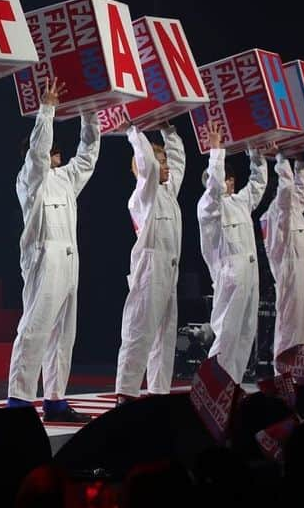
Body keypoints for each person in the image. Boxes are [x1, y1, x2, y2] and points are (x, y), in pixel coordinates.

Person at [6, 78, 100, 422]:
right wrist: (47, 110)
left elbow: (88, 155)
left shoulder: (65, 178)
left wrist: (91, 117)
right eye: (50, 153)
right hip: (42, 256)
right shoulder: (29, 180)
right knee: (36, 325)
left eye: (56, 153)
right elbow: (37, 153)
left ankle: (56, 399)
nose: (54, 157)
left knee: (63, 331)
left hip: (68, 256)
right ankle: (18, 398)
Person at [115, 120, 185, 402]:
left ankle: (159, 392)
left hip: (169, 269)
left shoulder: (169, 194)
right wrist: (134, 131)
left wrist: (170, 131)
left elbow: (178, 163)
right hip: (149, 268)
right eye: (161, 162)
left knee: (165, 336)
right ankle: (126, 392)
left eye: (165, 161)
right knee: (140, 330)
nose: (166, 166)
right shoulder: (143, 196)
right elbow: (148, 166)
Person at [196, 125, 268, 384]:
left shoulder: (240, 203)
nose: (231, 181)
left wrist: (255, 152)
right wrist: (216, 150)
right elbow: (215, 187)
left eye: (231, 178)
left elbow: (258, 184)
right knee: (227, 334)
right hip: (230, 274)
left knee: (245, 334)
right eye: (226, 177)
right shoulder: (208, 206)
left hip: (250, 274)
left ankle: (231, 387)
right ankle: (212, 387)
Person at [259, 152, 304, 361]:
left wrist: (301, 162)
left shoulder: (295, 211)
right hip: (289, 271)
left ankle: (297, 374)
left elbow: (300, 193)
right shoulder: (277, 211)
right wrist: (282, 159)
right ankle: (282, 376)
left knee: (301, 326)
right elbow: (288, 190)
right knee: (290, 327)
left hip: (303, 272)